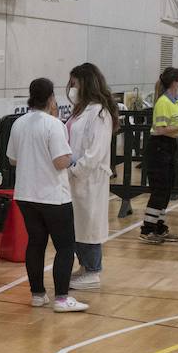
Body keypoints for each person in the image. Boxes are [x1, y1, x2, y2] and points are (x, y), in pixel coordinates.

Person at [6, 78, 87, 312]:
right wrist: (74, 156)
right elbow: (61, 161)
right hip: (53, 196)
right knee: (64, 246)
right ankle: (62, 298)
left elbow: (12, 159)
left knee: (36, 242)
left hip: (25, 195)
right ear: (51, 98)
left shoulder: (19, 123)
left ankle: (38, 295)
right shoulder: (54, 125)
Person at [65, 62, 118, 290]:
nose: (71, 88)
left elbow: (95, 151)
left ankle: (93, 269)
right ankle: (85, 267)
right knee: (78, 225)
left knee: (89, 224)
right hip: (74, 177)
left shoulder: (99, 113)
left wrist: (76, 169)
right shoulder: (81, 110)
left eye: (74, 83)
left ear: (85, 83)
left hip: (88, 177)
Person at [141, 67, 178, 244]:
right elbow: (159, 129)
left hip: (170, 146)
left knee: (167, 188)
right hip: (159, 148)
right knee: (159, 189)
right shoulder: (163, 102)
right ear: (174, 82)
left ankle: (159, 227)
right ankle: (147, 229)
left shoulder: (175, 101)